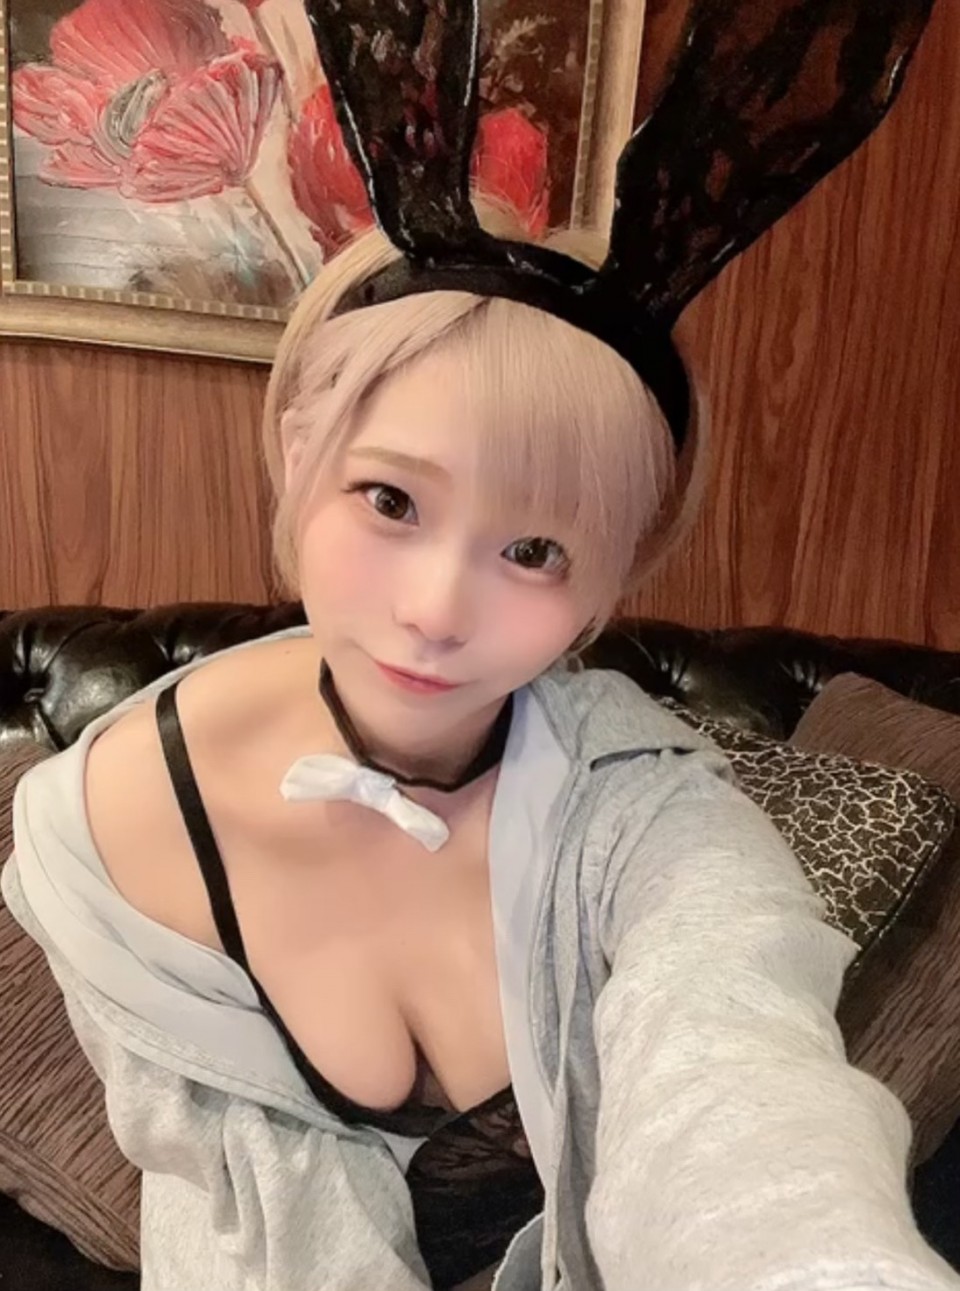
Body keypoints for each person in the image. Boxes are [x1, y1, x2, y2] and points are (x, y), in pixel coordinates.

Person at [4, 1, 956, 1288]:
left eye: (537, 550)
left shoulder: (645, 810)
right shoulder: (103, 830)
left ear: (614, 575)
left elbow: (744, 1098)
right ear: (300, 450)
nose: (439, 609)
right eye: (391, 500)